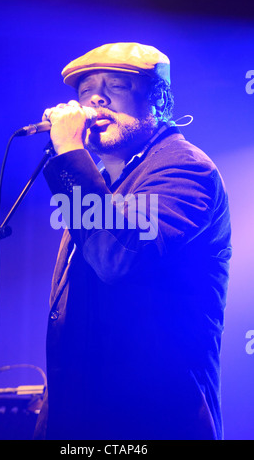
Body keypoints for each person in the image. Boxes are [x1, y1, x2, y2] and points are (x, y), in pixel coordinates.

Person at [34, 42, 232, 440]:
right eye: (86, 88)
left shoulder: (185, 168)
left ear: (158, 101)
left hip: (155, 420)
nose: (95, 98)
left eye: (116, 86)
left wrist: (70, 152)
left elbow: (116, 258)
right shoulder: (102, 183)